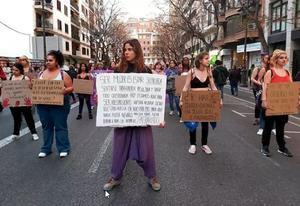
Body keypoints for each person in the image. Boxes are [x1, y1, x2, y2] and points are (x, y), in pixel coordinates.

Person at [103, 39, 163, 192]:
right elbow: (112, 93)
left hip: (142, 120)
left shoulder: (146, 71)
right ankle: (115, 177)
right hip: (123, 119)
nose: (126, 52)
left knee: (145, 150)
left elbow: (153, 96)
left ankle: (152, 176)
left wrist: (158, 117)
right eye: (125, 49)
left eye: (130, 49)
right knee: (119, 149)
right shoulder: (118, 70)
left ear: (137, 50)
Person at [180, 52, 222, 155]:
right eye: (206, 58)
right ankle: (193, 144)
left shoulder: (209, 71)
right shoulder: (192, 71)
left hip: (206, 100)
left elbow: (213, 86)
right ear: (200, 60)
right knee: (193, 123)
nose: (208, 60)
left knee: (205, 123)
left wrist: (219, 98)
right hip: (194, 100)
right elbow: (186, 86)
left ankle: (204, 144)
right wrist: (182, 99)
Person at [36, 50, 73, 158]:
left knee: (60, 126)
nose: (48, 62)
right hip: (43, 105)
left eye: (50, 60)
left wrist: (65, 91)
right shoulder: (40, 74)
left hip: (59, 106)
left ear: (57, 61)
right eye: (46, 60)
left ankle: (64, 148)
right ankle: (46, 148)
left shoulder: (63, 74)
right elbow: (36, 87)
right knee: (46, 126)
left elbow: (71, 87)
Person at [261, 49, 297, 157]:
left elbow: (291, 87)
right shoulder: (270, 72)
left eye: (285, 58)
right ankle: (265, 146)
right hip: (272, 104)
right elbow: (265, 87)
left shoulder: (287, 72)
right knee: (268, 126)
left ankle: (282, 147)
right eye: (281, 58)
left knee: (281, 127)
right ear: (276, 59)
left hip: (283, 104)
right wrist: (264, 100)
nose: (284, 60)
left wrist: (295, 99)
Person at [8, 63, 39, 141]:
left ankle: (34, 133)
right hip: (13, 102)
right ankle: (16, 134)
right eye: (13, 70)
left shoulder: (25, 78)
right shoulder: (11, 77)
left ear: (20, 70)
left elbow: (30, 90)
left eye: (16, 70)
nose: (14, 71)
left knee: (28, 118)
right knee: (16, 118)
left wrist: (31, 87)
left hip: (24, 102)